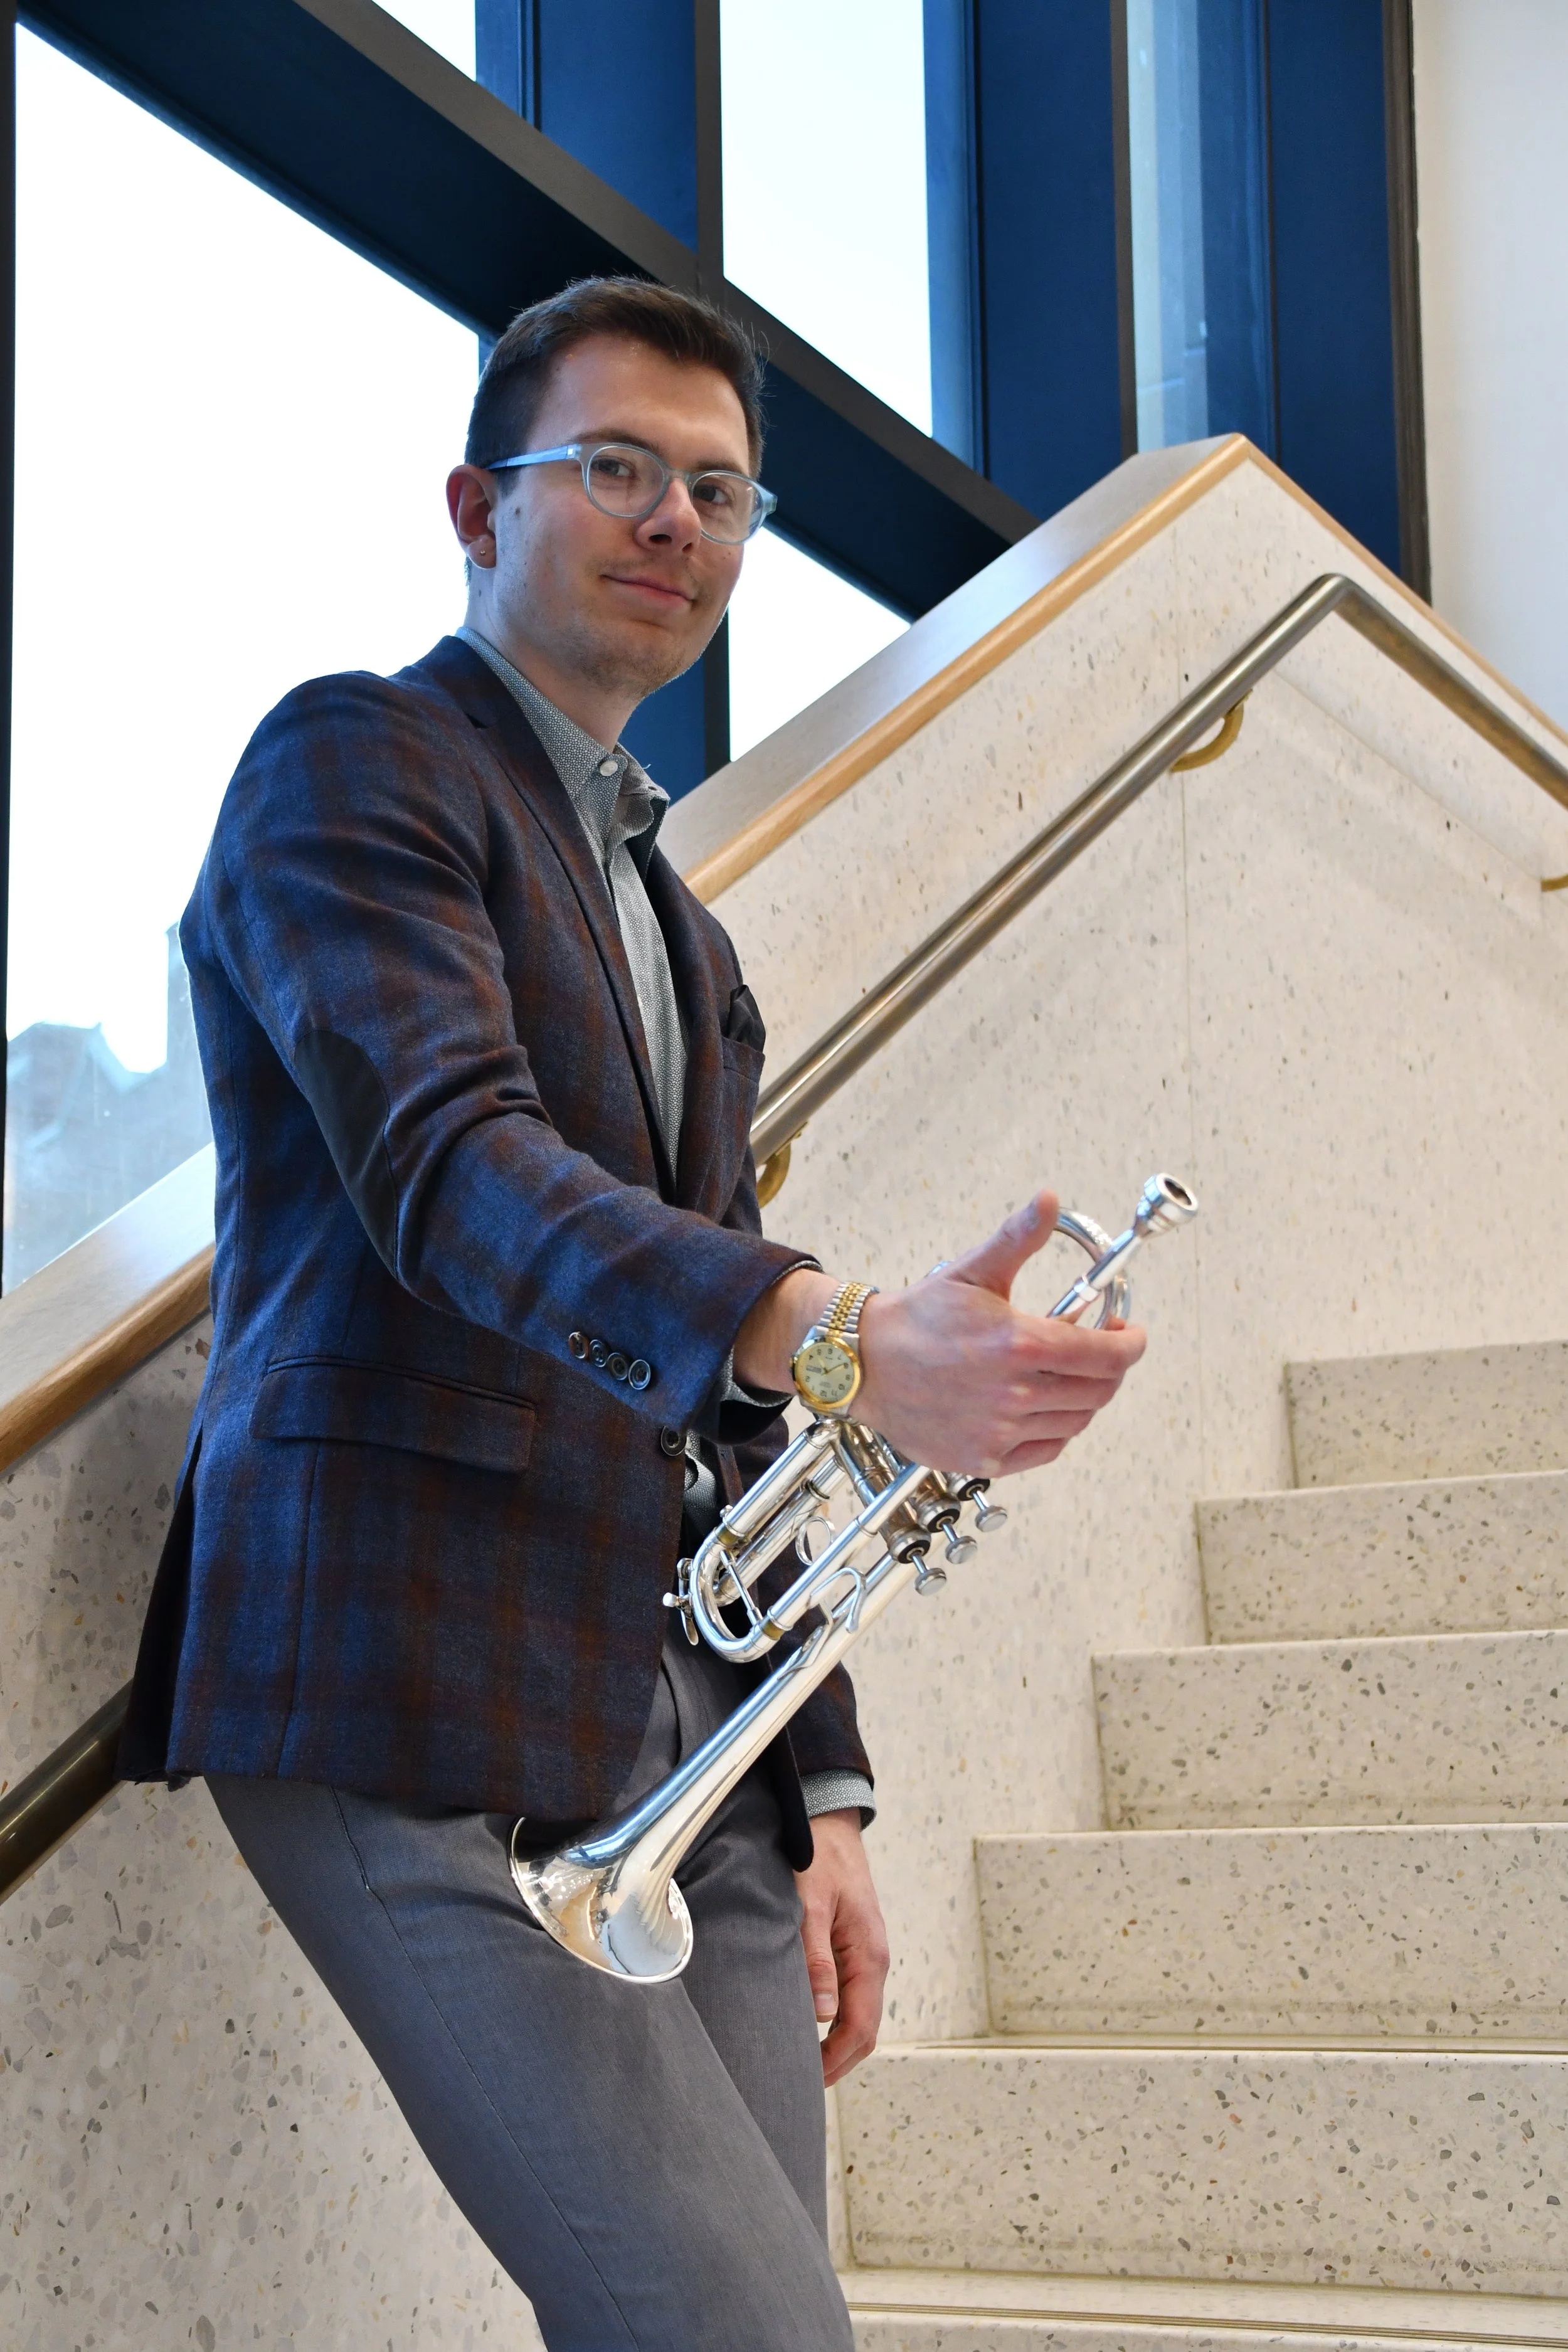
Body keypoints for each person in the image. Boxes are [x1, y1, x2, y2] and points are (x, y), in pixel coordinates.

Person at [120, 277, 1145, 2351]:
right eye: (613, 466)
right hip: (404, 1669)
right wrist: (843, 1332)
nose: (675, 518)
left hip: (689, 1714)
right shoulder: (353, 759)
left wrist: (821, 1788)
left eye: (718, 489)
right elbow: (448, 1166)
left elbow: (725, 1418)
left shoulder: (687, 932)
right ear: (475, 507)